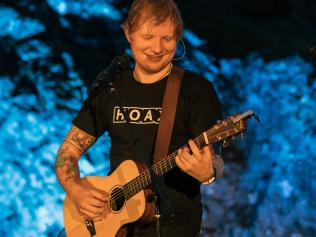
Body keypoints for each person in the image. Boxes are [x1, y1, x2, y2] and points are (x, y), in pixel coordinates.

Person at [55, 0, 224, 236]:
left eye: (167, 38)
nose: (157, 48)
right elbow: (68, 151)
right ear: (129, 34)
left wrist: (208, 174)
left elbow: (213, 159)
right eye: (148, 37)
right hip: (115, 226)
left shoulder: (196, 90)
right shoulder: (110, 88)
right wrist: (75, 190)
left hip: (175, 227)